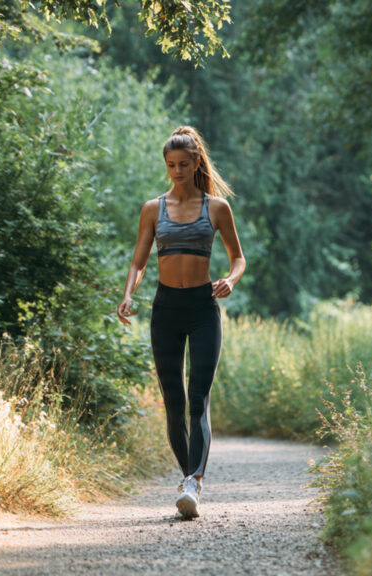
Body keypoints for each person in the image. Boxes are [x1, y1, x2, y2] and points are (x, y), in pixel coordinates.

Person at [117, 126, 245, 519]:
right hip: (166, 308)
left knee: (198, 398)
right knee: (173, 401)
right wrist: (128, 293)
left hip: (203, 307)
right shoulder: (152, 209)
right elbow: (139, 261)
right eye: (171, 165)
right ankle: (188, 480)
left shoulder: (217, 208)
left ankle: (193, 482)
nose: (176, 171)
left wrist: (230, 279)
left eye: (183, 165)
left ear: (196, 164)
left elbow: (238, 258)